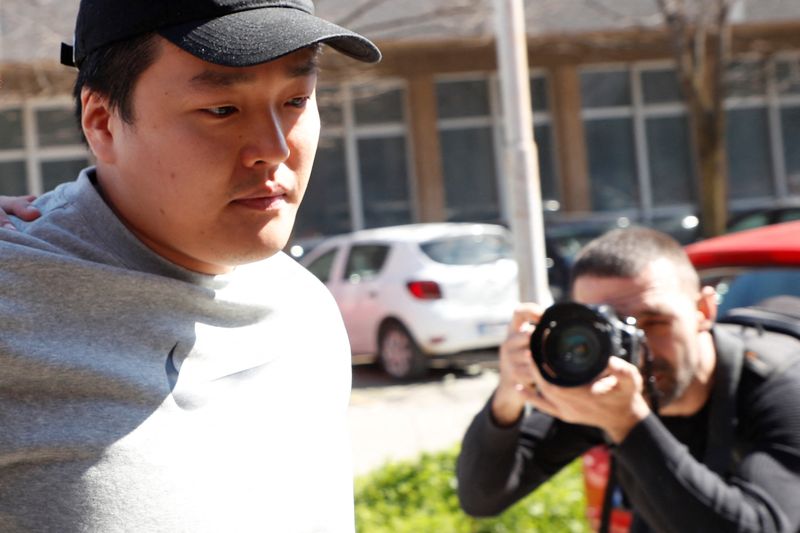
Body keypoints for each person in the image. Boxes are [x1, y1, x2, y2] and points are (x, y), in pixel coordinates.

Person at [0, 1, 380, 531]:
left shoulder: (306, 308)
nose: (273, 149)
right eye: (222, 109)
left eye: (296, 100)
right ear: (102, 122)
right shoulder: (13, 310)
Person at [457, 227, 800, 532]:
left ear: (704, 312)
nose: (635, 349)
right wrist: (508, 397)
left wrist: (628, 425)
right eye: (607, 330)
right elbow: (483, 497)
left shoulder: (780, 388)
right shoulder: (608, 388)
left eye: (653, 323)